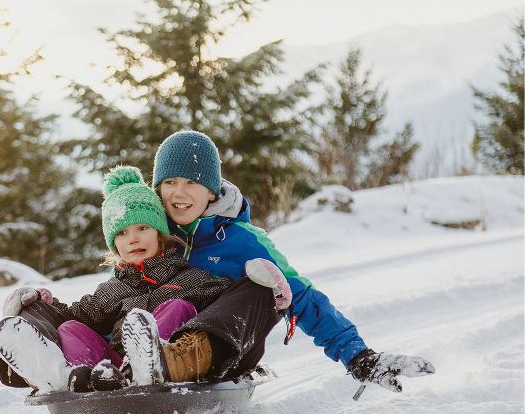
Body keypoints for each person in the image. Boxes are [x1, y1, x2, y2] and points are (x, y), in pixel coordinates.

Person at [149, 130, 435, 395]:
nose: (179, 193)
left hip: (224, 352)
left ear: (211, 190)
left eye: (191, 182)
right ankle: (133, 364)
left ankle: (174, 361)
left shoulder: (243, 242)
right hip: (156, 345)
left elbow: (301, 296)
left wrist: (358, 356)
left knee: (264, 282)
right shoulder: (149, 238)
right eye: (170, 182)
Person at [0, 165, 292, 393]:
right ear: (113, 244)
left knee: (176, 308)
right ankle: (68, 375)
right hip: (109, 372)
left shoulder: (191, 278)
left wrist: (268, 295)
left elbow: (227, 303)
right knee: (69, 327)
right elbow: (70, 317)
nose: (133, 239)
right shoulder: (111, 290)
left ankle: (151, 362)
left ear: (160, 233)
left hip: (170, 362)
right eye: (122, 233)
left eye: (143, 228)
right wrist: (38, 306)